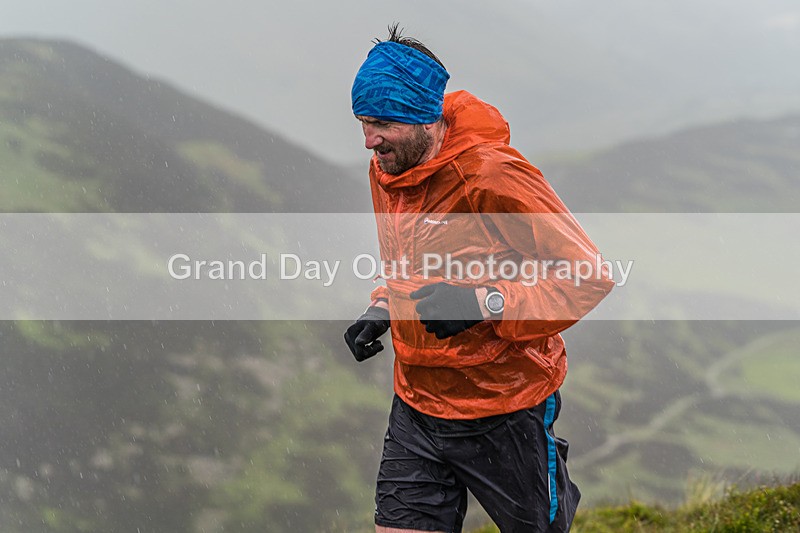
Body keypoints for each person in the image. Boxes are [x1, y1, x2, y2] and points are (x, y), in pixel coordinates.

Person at [344, 25, 614, 533]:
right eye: (362, 122)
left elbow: (587, 276)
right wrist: (381, 308)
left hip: (504, 404)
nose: (369, 140)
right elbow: (409, 261)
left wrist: (484, 301)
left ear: (424, 118)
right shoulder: (387, 172)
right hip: (417, 403)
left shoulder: (491, 175)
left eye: (381, 123)